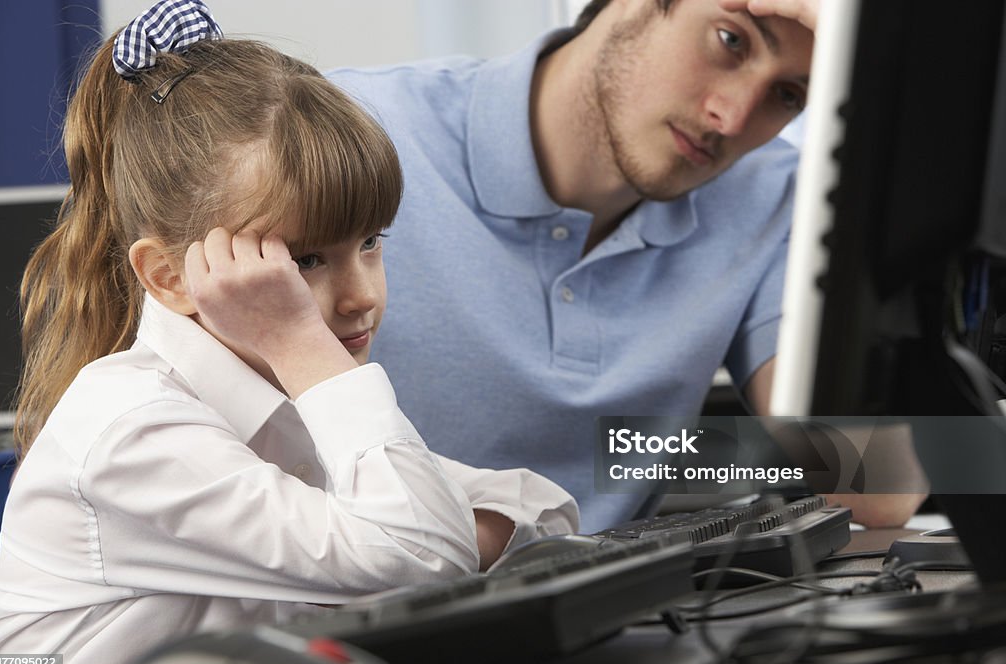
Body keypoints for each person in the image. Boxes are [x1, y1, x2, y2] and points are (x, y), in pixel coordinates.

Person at [0, 2, 577, 664]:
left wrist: (399, 546)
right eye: (304, 260)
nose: (363, 295)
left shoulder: (275, 396)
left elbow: (538, 501)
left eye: (371, 242)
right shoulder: (135, 429)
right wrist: (302, 344)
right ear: (172, 277)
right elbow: (425, 553)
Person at [326, 0, 927, 532]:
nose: (734, 117)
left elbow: (881, 489)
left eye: (789, 95)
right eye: (731, 41)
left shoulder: (770, 197)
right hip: (337, 623)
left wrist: (872, 73)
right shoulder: (353, 130)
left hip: (610, 633)